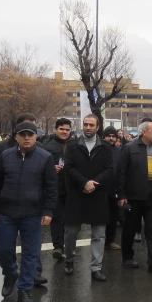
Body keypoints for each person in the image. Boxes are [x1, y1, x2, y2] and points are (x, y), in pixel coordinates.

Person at [0, 121, 58, 302]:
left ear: (36, 136)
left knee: (30, 253)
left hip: (33, 214)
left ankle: (24, 289)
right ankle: (10, 273)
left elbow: (51, 187)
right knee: (2, 248)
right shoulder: (6, 155)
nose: (26, 138)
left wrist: (48, 211)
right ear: (16, 137)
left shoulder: (45, 157)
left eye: (30, 134)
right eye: (22, 135)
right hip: (7, 212)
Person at [62, 115, 114, 281]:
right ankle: (69, 259)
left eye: (91, 125)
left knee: (99, 235)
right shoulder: (72, 146)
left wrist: (94, 183)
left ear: (97, 127)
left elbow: (110, 169)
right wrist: (84, 183)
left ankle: (96, 267)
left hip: (98, 196)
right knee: (71, 232)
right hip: (77, 194)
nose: (88, 127)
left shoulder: (105, 147)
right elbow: (68, 167)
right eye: (85, 124)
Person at [116, 120, 152, 274]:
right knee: (130, 229)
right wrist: (121, 194)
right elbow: (121, 173)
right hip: (133, 197)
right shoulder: (129, 148)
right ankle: (127, 257)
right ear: (144, 132)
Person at [42, 118, 75, 260]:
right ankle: (58, 247)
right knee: (56, 218)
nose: (64, 132)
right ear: (56, 129)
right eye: (62, 129)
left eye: (67, 129)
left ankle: (70, 246)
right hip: (55, 187)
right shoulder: (47, 146)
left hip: (73, 187)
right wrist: (50, 168)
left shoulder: (75, 145)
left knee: (71, 219)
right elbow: (41, 165)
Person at [102, 126, 123, 250]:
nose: (111, 138)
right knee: (100, 217)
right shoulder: (97, 150)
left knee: (113, 217)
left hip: (114, 189)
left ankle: (110, 240)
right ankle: (99, 240)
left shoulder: (120, 151)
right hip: (100, 189)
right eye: (108, 136)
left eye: (113, 136)